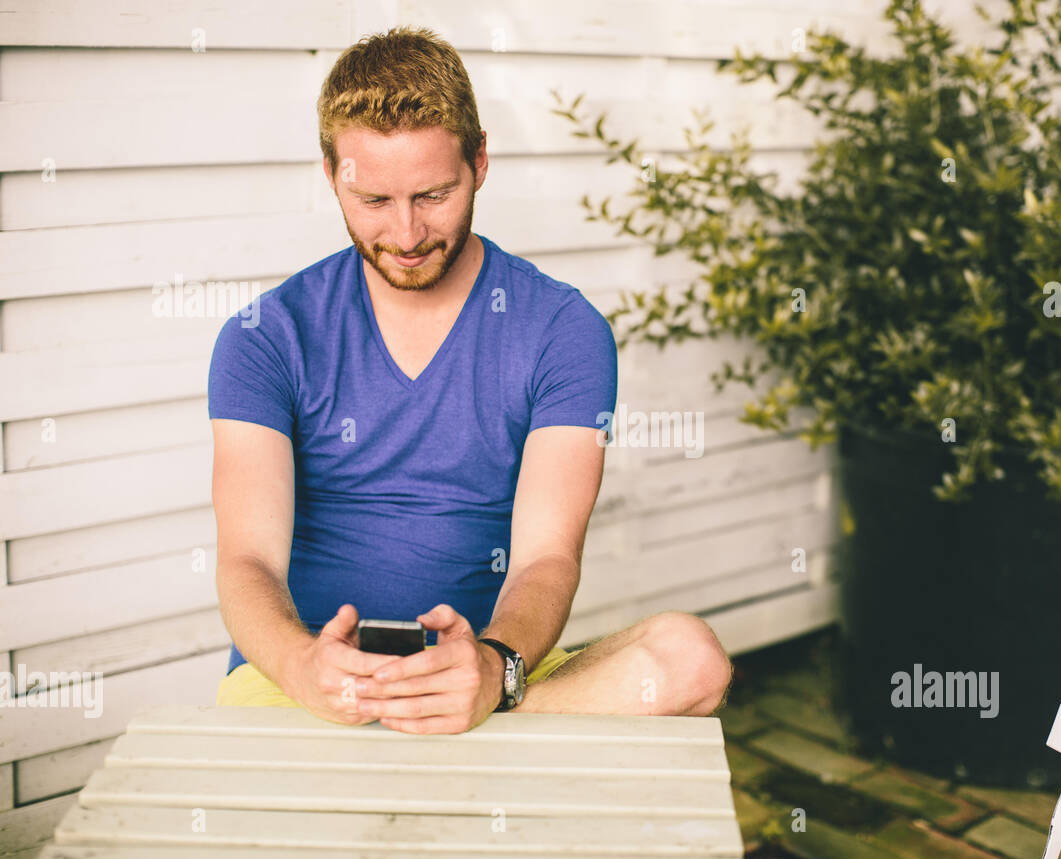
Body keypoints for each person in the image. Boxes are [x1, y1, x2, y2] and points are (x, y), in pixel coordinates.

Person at [207, 25, 732, 733]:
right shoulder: (264, 336)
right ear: (333, 174)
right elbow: (247, 561)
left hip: (488, 669)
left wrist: (492, 668)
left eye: (433, 194)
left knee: (691, 659)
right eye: (375, 202)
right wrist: (305, 668)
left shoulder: (563, 329)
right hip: (310, 683)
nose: (407, 232)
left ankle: (473, 714)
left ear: (480, 161)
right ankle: (460, 727)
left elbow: (546, 558)